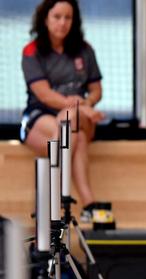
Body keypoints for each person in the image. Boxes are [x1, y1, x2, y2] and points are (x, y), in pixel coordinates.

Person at [21, 0, 105, 222]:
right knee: (72, 132)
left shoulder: (85, 50)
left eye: (68, 18)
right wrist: (78, 106)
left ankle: (49, 203)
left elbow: (96, 91)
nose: (62, 23)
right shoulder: (32, 52)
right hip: (40, 118)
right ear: (45, 19)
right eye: (57, 17)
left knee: (70, 122)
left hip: (80, 117)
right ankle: (89, 204)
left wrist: (86, 105)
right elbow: (45, 95)